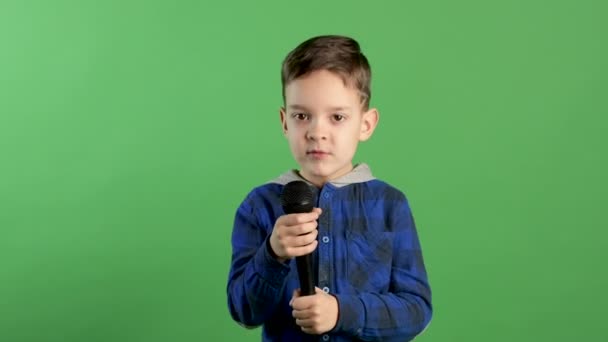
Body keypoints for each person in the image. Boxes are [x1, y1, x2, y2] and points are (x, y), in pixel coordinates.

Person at [226, 34, 432, 341]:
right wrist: (272, 254)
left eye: (337, 117)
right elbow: (243, 312)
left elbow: (416, 310)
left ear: (366, 124)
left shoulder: (390, 204)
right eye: (301, 116)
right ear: (285, 122)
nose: (316, 132)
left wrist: (341, 311)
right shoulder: (260, 204)